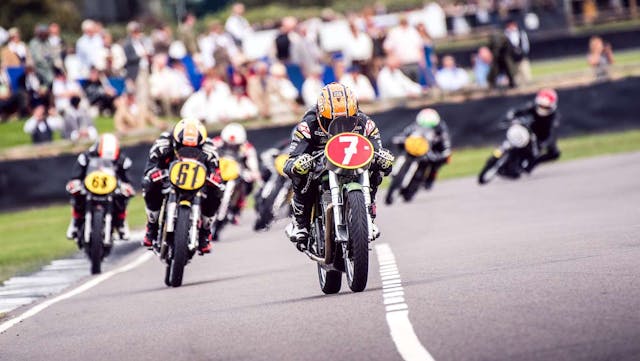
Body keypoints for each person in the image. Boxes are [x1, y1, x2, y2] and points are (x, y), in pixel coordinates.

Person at [284, 83, 394, 246]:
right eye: (331, 120)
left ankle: (368, 215)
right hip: (320, 162)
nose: (340, 125)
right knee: (301, 173)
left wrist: (384, 159)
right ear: (321, 114)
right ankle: (301, 223)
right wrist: (298, 163)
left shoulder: (366, 123)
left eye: (347, 120)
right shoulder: (308, 125)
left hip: (353, 162)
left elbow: (379, 151)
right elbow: (291, 161)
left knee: (376, 168)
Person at [141, 118, 223, 254]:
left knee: (217, 192)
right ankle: (152, 226)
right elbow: (150, 166)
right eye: (183, 148)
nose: (189, 153)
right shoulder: (163, 143)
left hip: (197, 182)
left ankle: (205, 232)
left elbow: (217, 173)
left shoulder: (209, 149)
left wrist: (214, 179)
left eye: (194, 149)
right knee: (149, 185)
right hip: (169, 178)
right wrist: (154, 173)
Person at [65, 134, 135, 244]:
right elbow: (76, 174)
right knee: (77, 196)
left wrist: (126, 186)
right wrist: (76, 182)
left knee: (122, 198)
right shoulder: (86, 156)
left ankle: (121, 223)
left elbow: (127, 178)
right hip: (90, 186)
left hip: (111, 188)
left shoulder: (122, 159)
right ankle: (75, 222)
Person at [211, 123, 261, 227]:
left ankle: (238, 208)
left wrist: (254, 171)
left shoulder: (246, 147)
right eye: (228, 144)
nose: (231, 147)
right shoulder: (216, 142)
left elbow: (252, 161)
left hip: (238, 172)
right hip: (220, 171)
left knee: (247, 183)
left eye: (234, 145)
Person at [393, 108, 451, 192]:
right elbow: (404, 134)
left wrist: (444, 152)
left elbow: (446, 143)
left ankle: (430, 180)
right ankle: (397, 172)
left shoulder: (441, 128)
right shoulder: (414, 126)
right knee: (403, 152)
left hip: (433, 149)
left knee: (438, 163)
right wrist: (400, 140)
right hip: (417, 148)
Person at [503, 88, 561, 171]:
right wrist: (512, 115)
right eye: (541, 105)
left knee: (554, 153)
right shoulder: (533, 107)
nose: (543, 108)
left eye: (545, 107)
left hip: (542, 138)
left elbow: (552, 135)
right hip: (529, 131)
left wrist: (545, 144)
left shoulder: (554, 118)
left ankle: (530, 164)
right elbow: (521, 111)